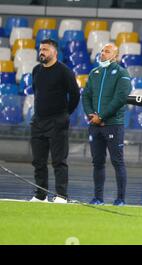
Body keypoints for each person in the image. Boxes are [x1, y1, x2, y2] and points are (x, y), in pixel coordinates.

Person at [29, 39, 80, 203]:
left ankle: (61, 195)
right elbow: (36, 92)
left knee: (58, 161)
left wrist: (65, 114)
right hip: (38, 122)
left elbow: (75, 95)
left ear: (54, 52)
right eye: (40, 49)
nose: (41, 52)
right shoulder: (36, 70)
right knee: (38, 161)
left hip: (57, 122)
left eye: (45, 49)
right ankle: (40, 194)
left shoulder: (64, 71)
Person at [82, 43, 132, 206]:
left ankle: (121, 199)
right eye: (102, 50)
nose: (103, 53)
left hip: (113, 125)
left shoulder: (122, 74)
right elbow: (86, 96)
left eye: (107, 51)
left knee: (117, 162)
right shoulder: (94, 73)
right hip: (94, 125)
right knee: (97, 162)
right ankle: (98, 198)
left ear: (115, 56)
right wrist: (91, 115)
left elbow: (120, 98)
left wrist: (101, 116)